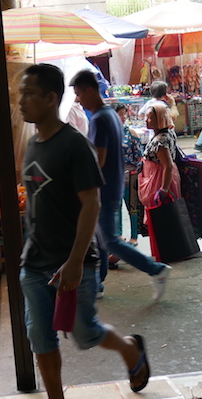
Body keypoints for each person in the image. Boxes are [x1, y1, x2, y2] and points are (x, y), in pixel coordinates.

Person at [15, 64, 150, 399]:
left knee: (85, 334)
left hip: (73, 262)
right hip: (35, 262)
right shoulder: (33, 144)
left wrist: (74, 262)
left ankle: (130, 351)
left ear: (50, 99)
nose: (21, 101)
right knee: (39, 336)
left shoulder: (75, 145)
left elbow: (90, 205)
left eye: (28, 94)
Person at [72, 71, 172, 301]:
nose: (78, 100)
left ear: (89, 90)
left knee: (108, 240)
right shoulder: (109, 116)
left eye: (78, 94)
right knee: (100, 239)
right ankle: (97, 285)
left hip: (104, 190)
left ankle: (156, 270)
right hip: (111, 186)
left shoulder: (99, 118)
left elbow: (99, 159)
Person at [115, 104, 143, 248]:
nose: (123, 117)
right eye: (120, 114)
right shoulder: (110, 133)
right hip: (114, 175)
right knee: (116, 206)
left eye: (124, 114)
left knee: (132, 206)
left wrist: (136, 173)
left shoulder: (132, 133)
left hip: (130, 175)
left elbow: (139, 157)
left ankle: (134, 236)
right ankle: (119, 235)